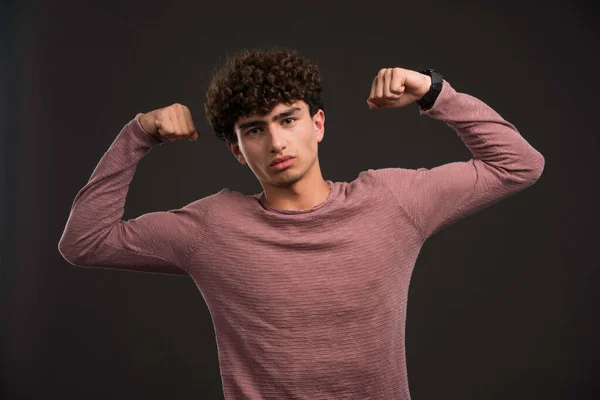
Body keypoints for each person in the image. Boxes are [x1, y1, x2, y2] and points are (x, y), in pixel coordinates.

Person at [58, 48, 545, 399]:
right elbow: (85, 242)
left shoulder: (392, 202)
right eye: (254, 129)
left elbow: (519, 165)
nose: (275, 142)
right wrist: (138, 134)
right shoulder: (213, 227)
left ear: (317, 124)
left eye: (287, 119)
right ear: (237, 149)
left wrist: (434, 92)